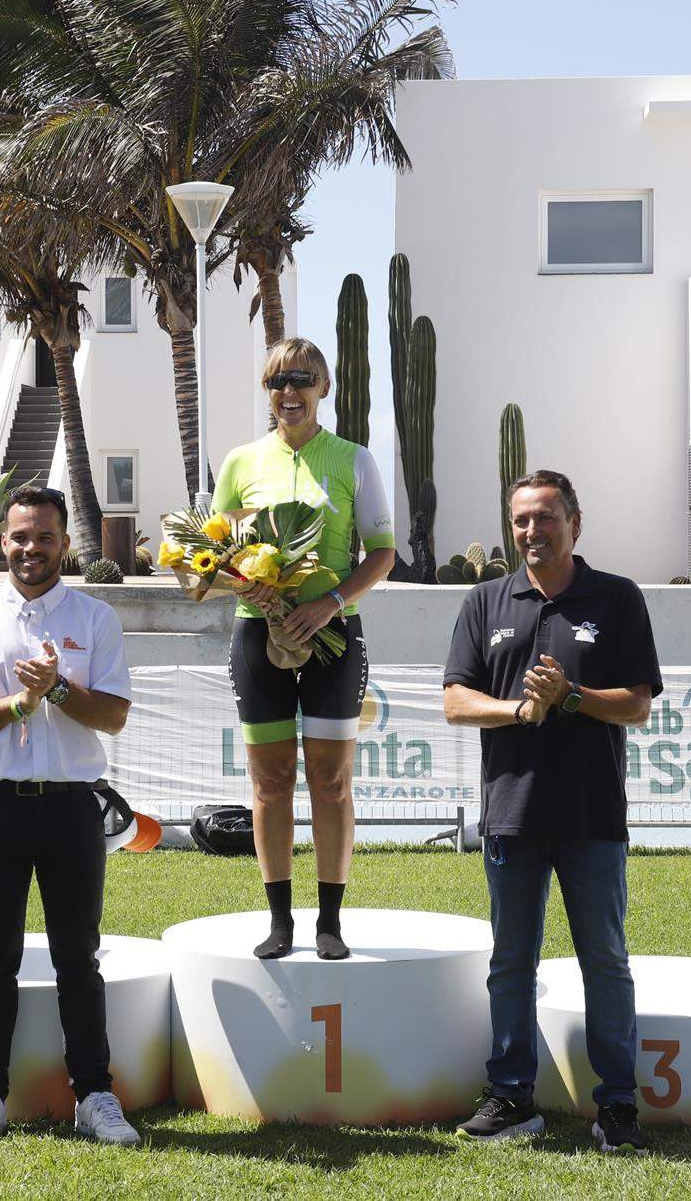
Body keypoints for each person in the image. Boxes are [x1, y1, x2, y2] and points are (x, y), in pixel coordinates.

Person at [442, 470, 660, 1155]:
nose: (532, 532)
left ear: (574, 522)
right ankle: (510, 1097)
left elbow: (636, 704)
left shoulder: (616, 597)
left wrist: (570, 697)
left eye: (545, 518)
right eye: (520, 521)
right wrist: (519, 709)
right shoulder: (484, 600)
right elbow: (454, 700)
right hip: (511, 814)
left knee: (604, 961)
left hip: (592, 815)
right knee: (510, 963)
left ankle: (617, 1105)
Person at [0, 486, 138, 1149]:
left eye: (43, 537)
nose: (30, 549)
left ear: (63, 544)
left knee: (78, 958)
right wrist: (21, 704)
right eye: (19, 537)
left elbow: (112, 715)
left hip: (72, 808)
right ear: (2, 543)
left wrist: (56, 690)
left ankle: (94, 1095)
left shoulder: (94, 618)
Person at [213, 337, 395, 961]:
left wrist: (330, 604)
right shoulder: (240, 462)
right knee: (269, 782)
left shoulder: (354, 460)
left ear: (323, 388)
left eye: (301, 380)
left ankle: (331, 923)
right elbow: (214, 553)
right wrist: (259, 597)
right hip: (257, 631)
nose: (288, 392)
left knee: (330, 779)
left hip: (333, 633)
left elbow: (382, 554)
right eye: (276, 382)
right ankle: (280, 922)